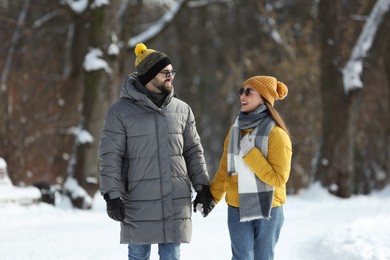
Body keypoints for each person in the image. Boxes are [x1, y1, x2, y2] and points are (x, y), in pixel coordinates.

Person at [98, 43, 214, 260]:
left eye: (172, 72)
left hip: (175, 199)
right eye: (165, 73)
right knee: (139, 254)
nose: (171, 77)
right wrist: (111, 195)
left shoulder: (182, 110)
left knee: (171, 256)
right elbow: (110, 155)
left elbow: (193, 151)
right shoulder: (120, 112)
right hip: (138, 199)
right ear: (149, 75)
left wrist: (203, 187)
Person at [209, 76, 292, 260]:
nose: (242, 96)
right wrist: (211, 197)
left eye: (249, 91)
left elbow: (279, 178)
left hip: (268, 209)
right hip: (237, 207)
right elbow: (225, 169)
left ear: (263, 97)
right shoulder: (235, 129)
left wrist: (251, 154)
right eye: (241, 91)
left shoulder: (277, 134)